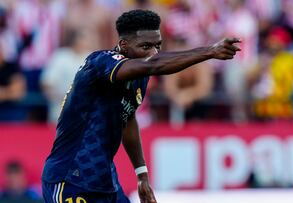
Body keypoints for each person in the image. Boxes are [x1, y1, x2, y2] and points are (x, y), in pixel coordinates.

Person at [41, 9, 240, 203]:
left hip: (105, 180)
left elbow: (127, 118)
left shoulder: (139, 77)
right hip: (69, 178)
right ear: (123, 45)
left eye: (158, 46)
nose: (153, 52)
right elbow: (152, 64)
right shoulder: (100, 61)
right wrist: (210, 51)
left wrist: (141, 174)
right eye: (146, 47)